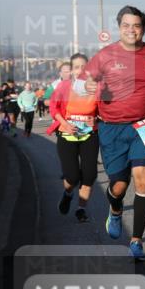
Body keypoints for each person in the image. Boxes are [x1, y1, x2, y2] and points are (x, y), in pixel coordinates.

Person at [85, 5, 145, 260]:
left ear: (144, 29)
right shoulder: (105, 55)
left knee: (144, 179)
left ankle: (136, 242)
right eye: (126, 25)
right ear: (119, 27)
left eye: (136, 25)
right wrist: (89, 83)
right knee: (118, 186)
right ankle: (115, 210)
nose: (131, 30)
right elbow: (84, 81)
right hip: (111, 128)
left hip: (144, 125)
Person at [47, 53, 99, 222]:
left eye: (84, 67)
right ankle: (68, 193)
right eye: (76, 67)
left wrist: (96, 118)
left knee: (90, 175)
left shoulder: (97, 87)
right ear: (72, 71)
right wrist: (67, 124)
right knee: (72, 177)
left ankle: (81, 209)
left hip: (89, 135)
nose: (80, 70)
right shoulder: (64, 86)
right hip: (67, 134)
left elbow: (107, 110)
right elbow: (54, 109)